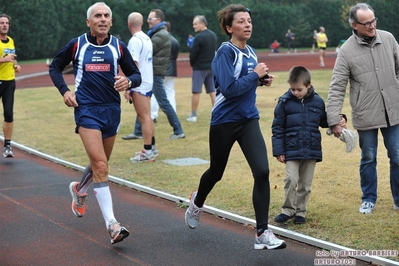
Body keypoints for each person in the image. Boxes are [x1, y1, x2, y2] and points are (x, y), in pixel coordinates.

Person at [185, 4, 286, 250]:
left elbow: (246, 81)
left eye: (249, 20)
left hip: (248, 120)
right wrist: (254, 76)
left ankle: (262, 233)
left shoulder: (250, 51)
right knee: (216, 172)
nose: (247, 24)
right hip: (224, 122)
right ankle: (197, 201)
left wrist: (261, 80)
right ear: (229, 28)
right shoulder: (224, 52)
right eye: (241, 21)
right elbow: (229, 90)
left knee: (262, 171)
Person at [49, 2, 141, 243]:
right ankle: (113, 224)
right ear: (88, 22)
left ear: (111, 21)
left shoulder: (118, 46)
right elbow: (55, 67)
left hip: (111, 110)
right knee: (100, 165)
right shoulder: (77, 44)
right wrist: (65, 91)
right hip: (86, 110)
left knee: (101, 163)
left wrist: (128, 82)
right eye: (97, 16)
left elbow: (136, 75)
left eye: (106, 16)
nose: (102, 19)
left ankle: (80, 190)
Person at [327, 3, 399, 214]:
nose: (372, 26)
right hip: (365, 113)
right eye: (366, 23)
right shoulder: (347, 51)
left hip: (393, 111)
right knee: (368, 157)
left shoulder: (388, 39)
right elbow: (337, 85)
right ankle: (368, 198)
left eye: (373, 20)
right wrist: (333, 120)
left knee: (397, 156)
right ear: (354, 25)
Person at [272, 66, 339, 224]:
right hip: (291, 148)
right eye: (292, 89)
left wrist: (339, 118)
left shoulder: (318, 101)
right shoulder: (284, 102)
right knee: (290, 179)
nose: (295, 92)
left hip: (311, 148)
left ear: (308, 85)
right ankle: (288, 210)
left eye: (299, 89)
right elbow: (277, 127)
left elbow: (324, 121)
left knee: (305, 184)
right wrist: (279, 150)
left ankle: (301, 212)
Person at [124, 12, 158, 163]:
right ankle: (152, 147)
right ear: (142, 23)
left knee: (143, 117)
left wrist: (128, 86)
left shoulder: (134, 41)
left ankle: (148, 151)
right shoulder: (146, 38)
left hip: (140, 84)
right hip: (148, 82)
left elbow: (134, 64)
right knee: (147, 116)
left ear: (129, 24)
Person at [147, 9, 185, 139]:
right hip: (159, 71)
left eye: (150, 18)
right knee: (144, 99)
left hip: (156, 72)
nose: (148, 21)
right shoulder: (161, 35)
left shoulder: (160, 35)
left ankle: (178, 130)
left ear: (158, 20)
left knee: (163, 101)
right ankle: (138, 130)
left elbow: (147, 50)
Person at [186, 15, 217, 123]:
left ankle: (193, 116)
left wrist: (192, 63)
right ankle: (217, 113)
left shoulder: (198, 37)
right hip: (211, 68)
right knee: (212, 91)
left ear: (202, 23)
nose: (194, 26)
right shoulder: (213, 35)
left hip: (199, 68)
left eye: (195, 24)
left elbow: (193, 53)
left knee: (196, 91)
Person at [0, 14, 21, 158]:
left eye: (6, 23)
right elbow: (5, 58)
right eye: (1, 23)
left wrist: (15, 65)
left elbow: (12, 58)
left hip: (9, 82)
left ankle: (8, 145)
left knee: (8, 113)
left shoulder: (11, 41)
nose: (4, 25)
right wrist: (3, 60)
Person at [150, 21, 178, 124]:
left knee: (155, 94)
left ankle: (153, 115)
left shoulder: (160, 39)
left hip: (161, 69)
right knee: (170, 92)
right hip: (172, 69)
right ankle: (173, 114)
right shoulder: (175, 41)